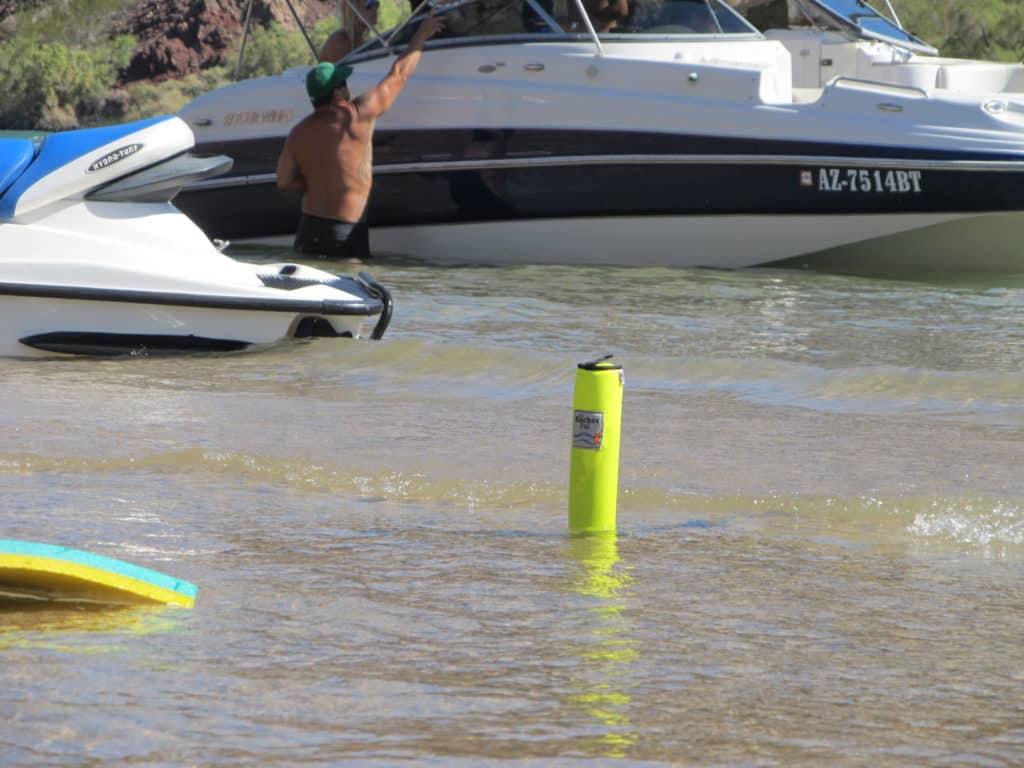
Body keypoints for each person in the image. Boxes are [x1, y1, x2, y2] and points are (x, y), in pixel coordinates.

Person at [276, 14, 443, 260]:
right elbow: (399, 74)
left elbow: (284, 182)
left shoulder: (299, 132)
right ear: (337, 93)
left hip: (309, 228)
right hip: (346, 231)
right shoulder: (358, 115)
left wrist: (321, 182)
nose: (347, 86)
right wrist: (421, 35)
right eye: (343, 82)